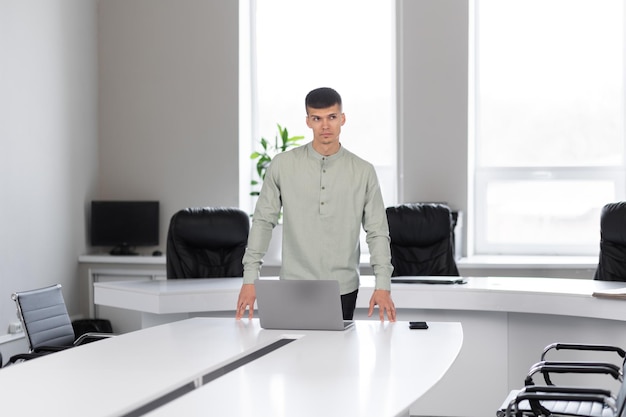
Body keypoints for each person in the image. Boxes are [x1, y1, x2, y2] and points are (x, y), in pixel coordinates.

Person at [235, 87, 396, 322]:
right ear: (308, 121)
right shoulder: (283, 165)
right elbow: (262, 222)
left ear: (342, 119)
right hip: (293, 284)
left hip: (343, 287)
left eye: (331, 117)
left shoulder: (363, 171)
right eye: (317, 118)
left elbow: (377, 231)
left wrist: (383, 285)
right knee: (292, 355)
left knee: (338, 357)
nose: (325, 126)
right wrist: (250, 279)